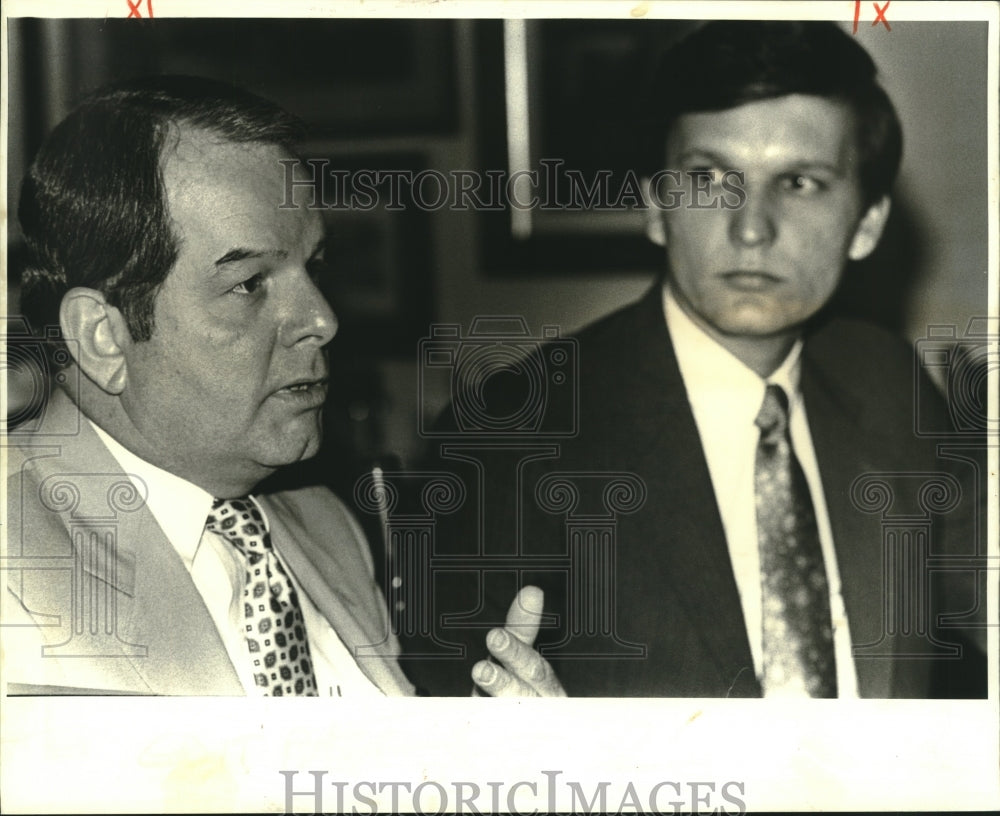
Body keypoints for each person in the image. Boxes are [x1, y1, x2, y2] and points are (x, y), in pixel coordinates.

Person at [408, 21, 988, 698]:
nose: (750, 227)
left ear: (866, 225)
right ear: (657, 208)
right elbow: (445, 726)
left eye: (799, 182)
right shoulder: (509, 436)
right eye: (710, 178)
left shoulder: (888, 382)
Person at [3, 75, 560, 697]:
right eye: (249, 284)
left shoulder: (326, 526)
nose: (323, 320)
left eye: (314, 267)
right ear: (102, 337)